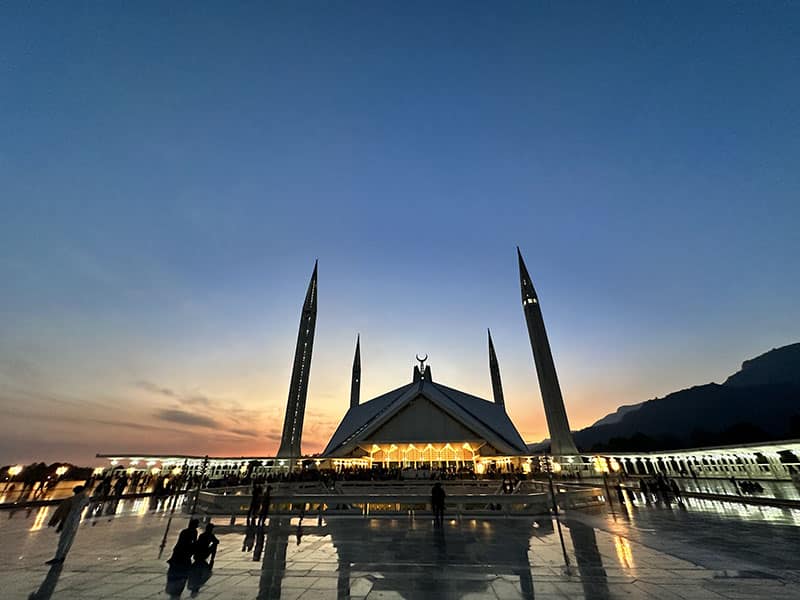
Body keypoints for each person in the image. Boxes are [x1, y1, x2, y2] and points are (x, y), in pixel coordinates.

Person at [45, 485, 90, 565]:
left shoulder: (71, 500)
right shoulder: (84, 499)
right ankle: (62, 556)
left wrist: (54, 522)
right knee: (69, 539)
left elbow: (61, 512)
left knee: (64, 539)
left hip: (70, 519)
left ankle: (58, 558)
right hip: (76, 520)